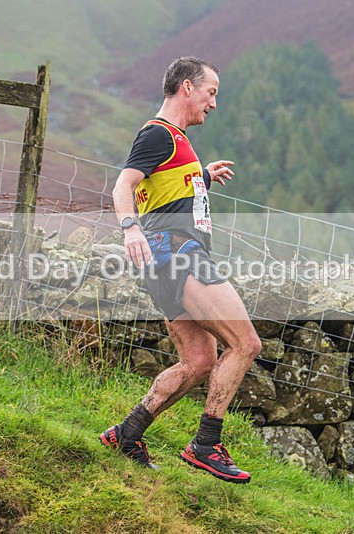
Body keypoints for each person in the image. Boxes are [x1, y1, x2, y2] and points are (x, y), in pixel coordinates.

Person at [99, 57, 262, 484]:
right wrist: (129, 227)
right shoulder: (158, 134)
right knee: (245, 344)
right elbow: (124, 185)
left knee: (199, 360)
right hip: (179, 254)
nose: (214, 103)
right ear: (187, 87)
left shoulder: (175, 142)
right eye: (211, 93)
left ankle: (127, 433)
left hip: (165, 262)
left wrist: (202, 177)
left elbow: (161, 191)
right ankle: (206, 445)